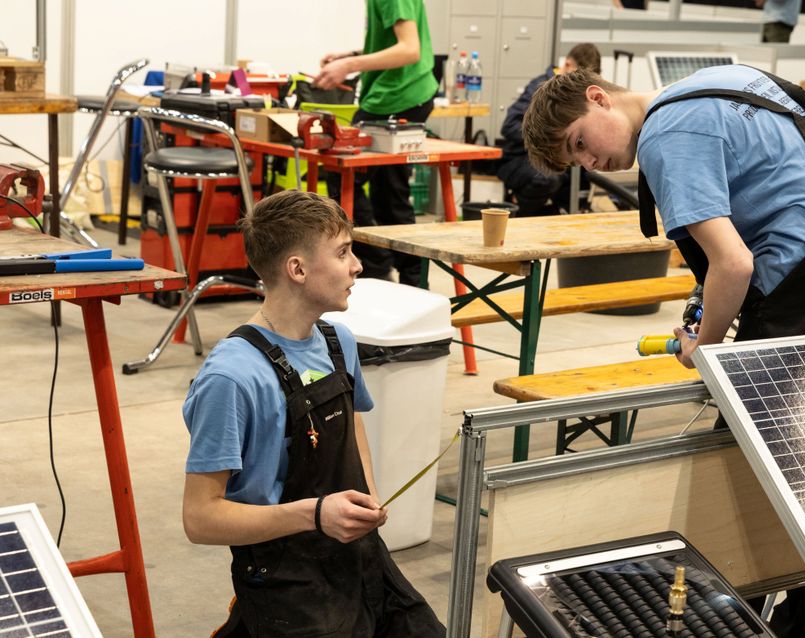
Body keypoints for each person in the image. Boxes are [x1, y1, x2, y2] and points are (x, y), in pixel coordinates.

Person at [522, 65, 805, 638]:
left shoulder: (666, 137)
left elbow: (735, 263)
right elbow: (768, 183)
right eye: (578, 164)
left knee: (768, 458)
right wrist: (706, 304)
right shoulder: (717, 80)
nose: (591, 165)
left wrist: (706, 347)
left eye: (581, 144)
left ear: (599, 98)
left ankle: (759, 614)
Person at [183, 190, 445, 637]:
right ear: (298, 270)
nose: (357, 265)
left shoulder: (337, 341)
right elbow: (200, 518)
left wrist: (370, 498)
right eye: (343, 252)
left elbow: (352, 421)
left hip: (358, 555)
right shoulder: (231, 378)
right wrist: (315, 514)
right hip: (286, 580)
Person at [315, 0, 438, 286]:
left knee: (350, 180)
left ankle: (381, 271)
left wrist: (349, 64)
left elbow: (410, 50)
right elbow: (397, 42)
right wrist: (353, 54)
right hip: (400, 95)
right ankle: (402, 278)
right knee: (387, 193)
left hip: (397, 97)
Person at [498, 43, 602, 217]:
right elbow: (509, 126)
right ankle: (521, 219)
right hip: (523, 159)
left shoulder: (581, 94)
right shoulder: (541, 87)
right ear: (568, 65)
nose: (581, 86)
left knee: (584, 180)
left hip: (564, 165)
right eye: (579, 78)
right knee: (547, 177)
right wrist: (551, 138)